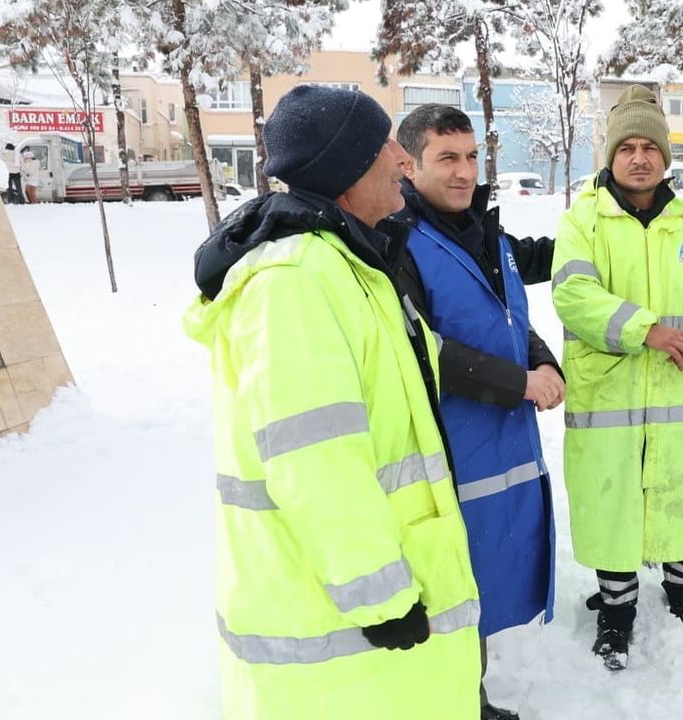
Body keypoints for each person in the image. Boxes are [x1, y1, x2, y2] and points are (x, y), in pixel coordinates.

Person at [183, 85, 482, 720]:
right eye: (386, 148)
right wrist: (382, 596)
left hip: (366, 612)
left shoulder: (349, 263)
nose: (405, 160)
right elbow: (313, 459)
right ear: (346, 171)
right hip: (335, 624)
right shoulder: (293, 286)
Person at [551, 84, 683, 671]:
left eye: (649, 147)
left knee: (679, 494)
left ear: (665, 156)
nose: (639, 157)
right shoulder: (584, 219)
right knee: (613, 503)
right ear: (610, 156)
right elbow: (573, 294)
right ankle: (616, 611)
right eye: (627, 146)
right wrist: (650, 330)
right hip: (609, 394)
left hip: (677, 393)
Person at [382, 103, 560, 720]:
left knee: (479, 576)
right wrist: (519, 382)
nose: (463, 173)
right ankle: (458, 703)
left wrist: (544, 362)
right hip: (443, 447)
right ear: (409, 163)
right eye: (447, 158)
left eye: (471, 156)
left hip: (499, 440)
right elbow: (425, 351)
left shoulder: (486, 231)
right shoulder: (397, 240)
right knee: (446, 579)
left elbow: (509, 315)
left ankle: (467, 697)